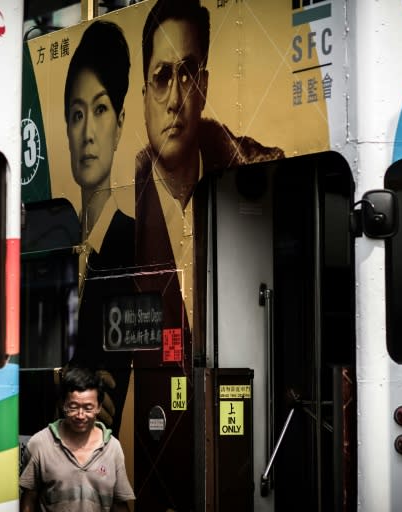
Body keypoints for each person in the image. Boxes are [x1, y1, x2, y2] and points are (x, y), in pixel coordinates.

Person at [134, 0, 284, 356]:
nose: (174, 99)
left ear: (203, 85)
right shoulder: (122, 216)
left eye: (186, 73)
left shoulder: (256, 179)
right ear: (143, 97)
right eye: (161, 77)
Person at [64, 20, 134, 434]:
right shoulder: (59, 247)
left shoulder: (135, 242)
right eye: (76, 114)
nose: (88, 133)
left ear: (121, 121)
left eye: (101, 109)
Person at [19, 366, 135, 512]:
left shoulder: (113, 448)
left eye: (88, 408)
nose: (80, 415)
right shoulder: (40, 444)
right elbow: (29, 498)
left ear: (99, 407)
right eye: (73, 407)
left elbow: (119, 504)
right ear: (63, 405)